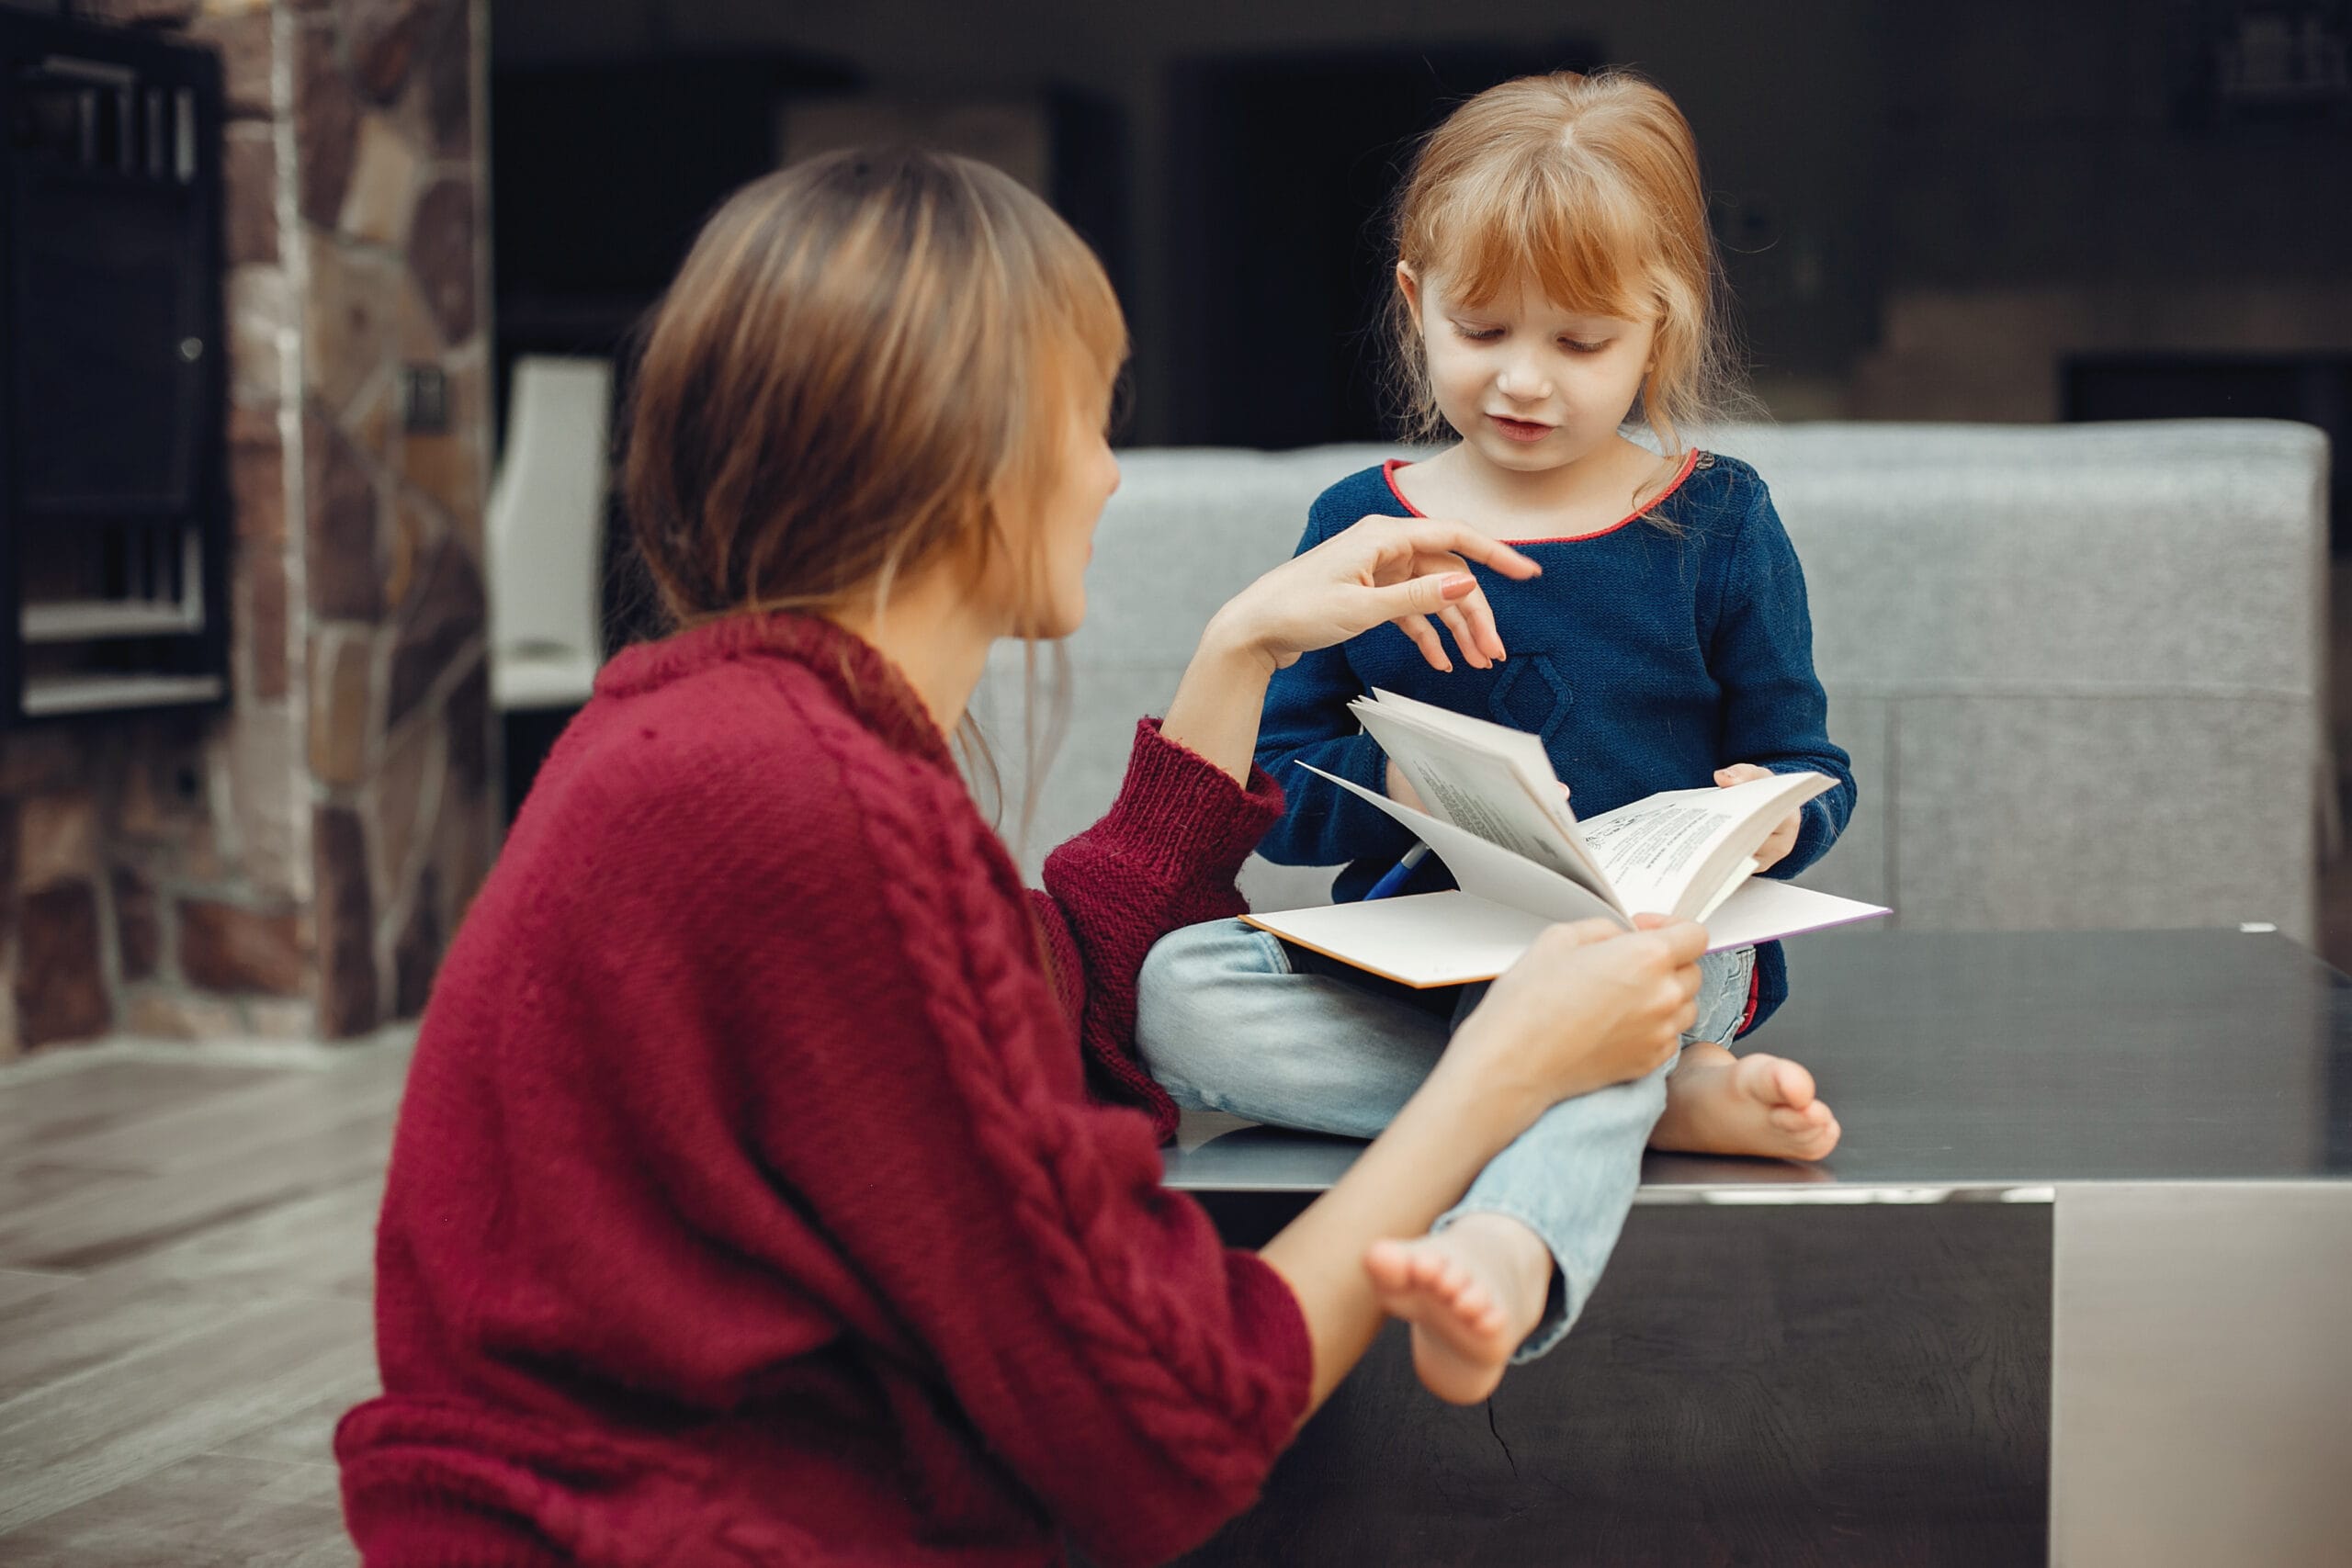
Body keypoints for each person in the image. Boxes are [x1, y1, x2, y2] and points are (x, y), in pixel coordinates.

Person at [333, 146, 1708, 1567]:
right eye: (1091, 417)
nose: (1110, 472)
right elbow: (1167, 1416)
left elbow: (1042, 1005)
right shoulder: (809, 809)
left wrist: (1239, 648)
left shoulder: (716, 733)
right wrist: (1500, 1080)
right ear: (968, 449)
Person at [1136, 70, 1858, 1407]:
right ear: (1415, 307)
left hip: (1652, 950)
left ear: (1661, 329)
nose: (1524, 380)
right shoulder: (1364, 516)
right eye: (1481, 329)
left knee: (1610, 996)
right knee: (1176, 991)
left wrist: (1775, 809)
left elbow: (1813, 763)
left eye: (1582, 344)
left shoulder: (1715, 522)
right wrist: (1385, 784)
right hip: (1420, 951)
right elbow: (1276, 796)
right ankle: (1649, 1102)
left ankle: (1515, 1244)